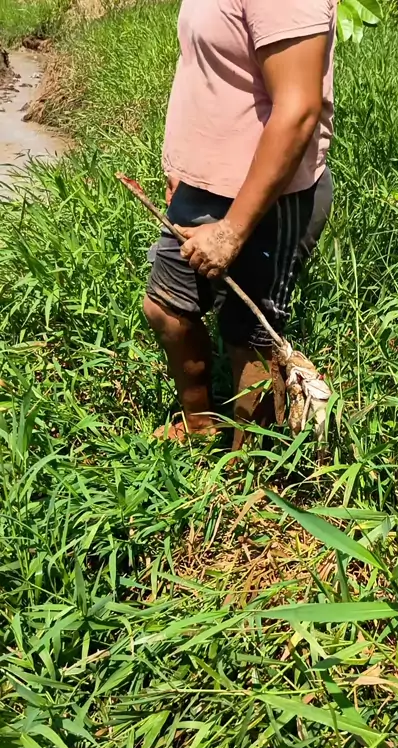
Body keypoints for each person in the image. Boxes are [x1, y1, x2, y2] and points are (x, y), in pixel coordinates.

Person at [144, 0, 336, 448]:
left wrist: (233, 228)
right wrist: (185, 164)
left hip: (271, 196)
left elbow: (298, 110)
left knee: (248, 338)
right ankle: (200, 425)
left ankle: (250, 464)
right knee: (166, 309)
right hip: (202, 186)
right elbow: (208, 67)